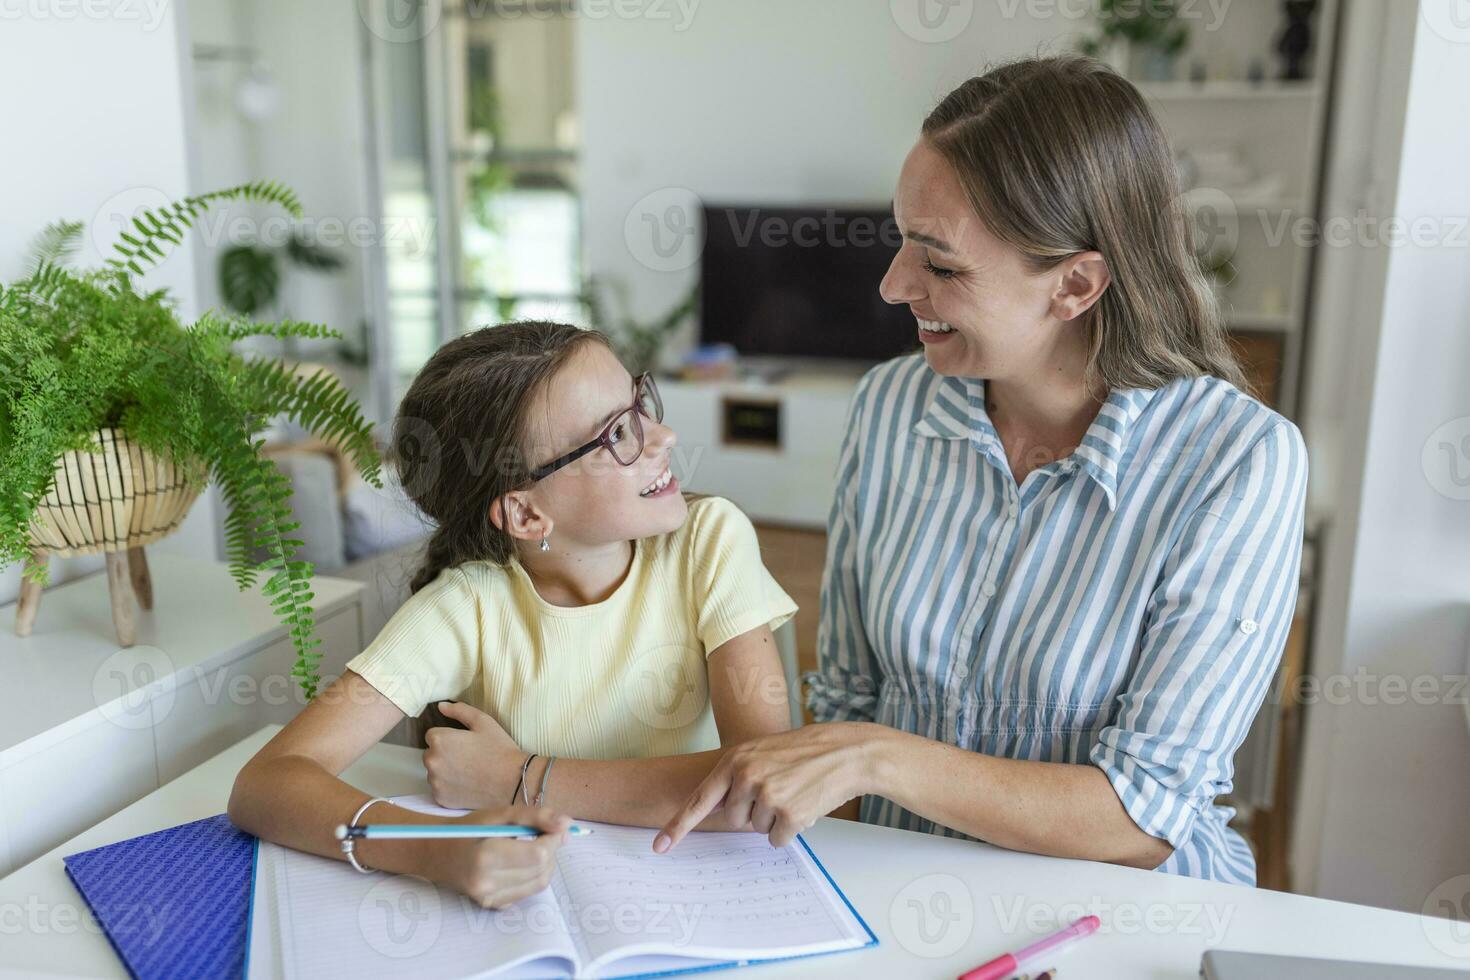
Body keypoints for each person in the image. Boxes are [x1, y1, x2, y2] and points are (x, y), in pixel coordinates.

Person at [654, 55, 1308, 887]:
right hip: (898, 885)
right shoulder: (891, 407)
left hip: (1114, 916)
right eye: (900, 242)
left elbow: (1145, 815)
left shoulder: (1236, 461)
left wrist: (878, 759)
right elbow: (852, 696)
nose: (894, 286)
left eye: (942, 264)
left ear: (1076, 284)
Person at [229, 320, 798, 905]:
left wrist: (523, 778)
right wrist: (433, 848)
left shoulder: (709, 540)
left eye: (640, 404)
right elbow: (266, 784)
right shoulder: (465, 608)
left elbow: (767, 780)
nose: (664, 436)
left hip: (701, 889)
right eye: (618, 434)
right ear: (526, 516)